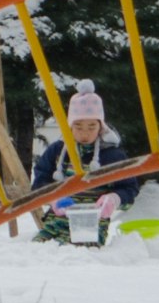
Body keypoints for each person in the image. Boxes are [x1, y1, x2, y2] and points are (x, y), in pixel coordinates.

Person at [31, 82, 132, 243]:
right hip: (55, 222)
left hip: (92, 225)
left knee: (79, 254)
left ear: (101, 126)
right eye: (78, 126)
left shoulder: (113, 156)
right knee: (39, 251)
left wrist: (113, 199)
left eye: (91, 127)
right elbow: (39, 182)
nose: (85, 133)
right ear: (70, 126)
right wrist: (53, 199)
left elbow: (129, 188)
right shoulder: (57, 151)